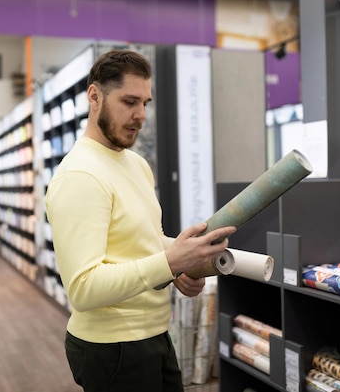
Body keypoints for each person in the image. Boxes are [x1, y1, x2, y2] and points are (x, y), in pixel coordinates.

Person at [45, 49, 236, 392]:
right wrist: (169, 261)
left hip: (154, 334)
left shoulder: (136, 165)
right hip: (112, 348)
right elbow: (83, 288)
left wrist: (181, 259)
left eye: (145, 103)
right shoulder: (80, 175)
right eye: (129, 101)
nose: (140, 115)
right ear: (94, 96)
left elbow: (143, 241)